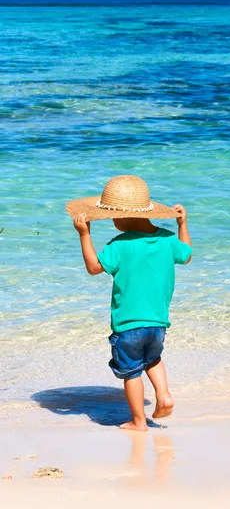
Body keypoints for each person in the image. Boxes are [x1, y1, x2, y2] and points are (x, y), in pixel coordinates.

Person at [67, 175, 192, 431]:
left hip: (128, 324)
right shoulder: (168, 240)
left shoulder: (119, 245)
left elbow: (93, 267)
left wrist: (84, 234)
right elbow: (187, 255)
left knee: (131, 371)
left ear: (123, 216)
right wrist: (182, 224)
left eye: (111, 217)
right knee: (153, 359)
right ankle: (164, 394)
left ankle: (138, 422)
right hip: (158, 322)